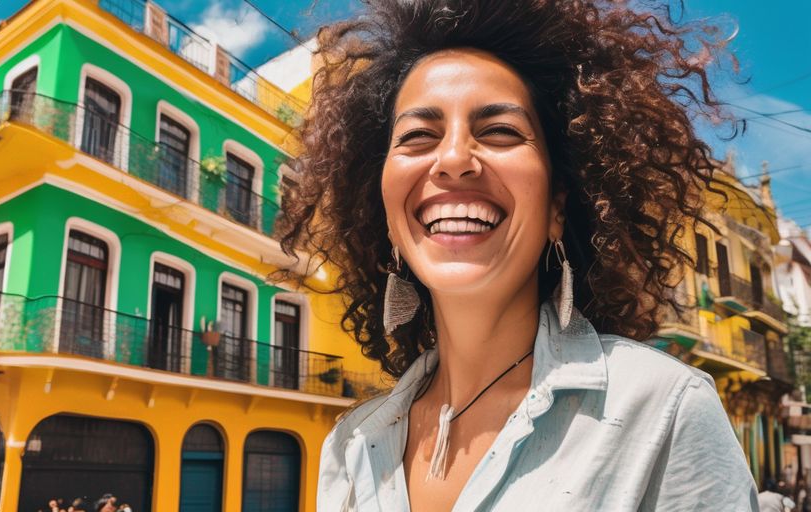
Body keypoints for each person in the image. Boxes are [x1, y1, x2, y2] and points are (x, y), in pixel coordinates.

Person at [278, 0, 760, 509]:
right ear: (388, 219)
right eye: (418, 136)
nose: (454, 159)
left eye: (501, 131)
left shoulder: (664, 409)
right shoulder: (350, 446)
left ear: (558, 209)